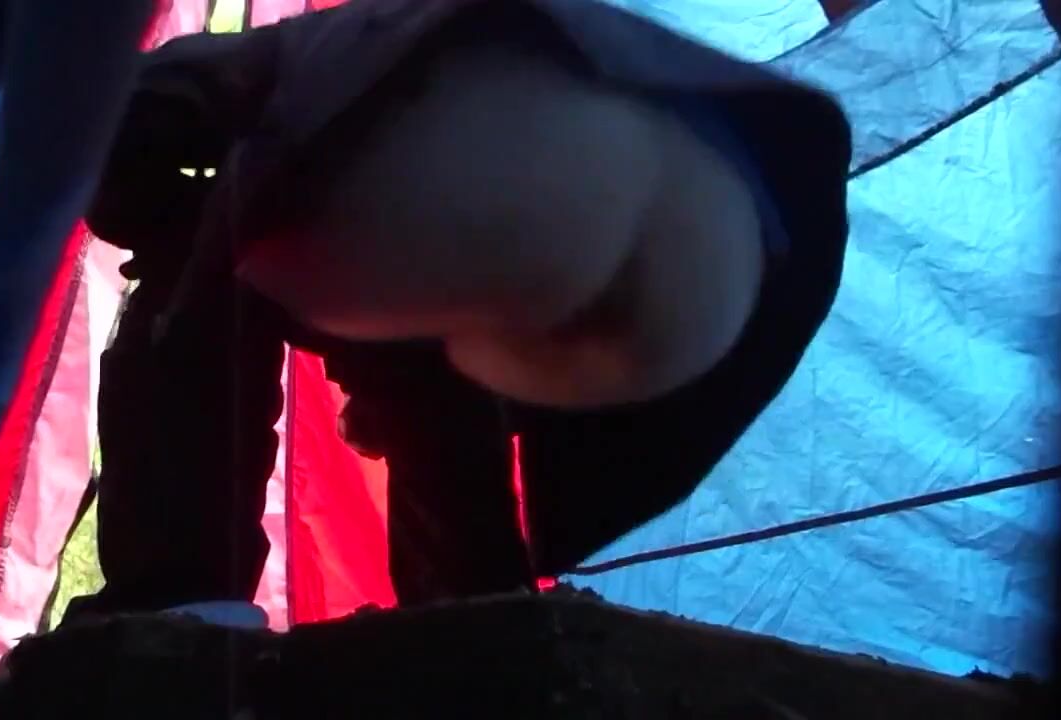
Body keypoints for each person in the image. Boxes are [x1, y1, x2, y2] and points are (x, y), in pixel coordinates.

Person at [66, 0, 850, 620]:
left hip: (609, 193)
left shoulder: (297, 91)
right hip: (714, 222)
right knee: (429, 386)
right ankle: (466, 612)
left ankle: (186, 599)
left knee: (394, 367)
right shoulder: (319, 90)